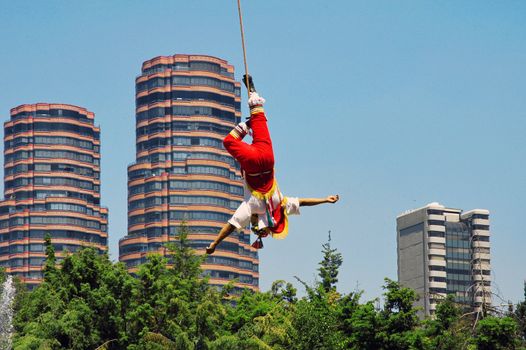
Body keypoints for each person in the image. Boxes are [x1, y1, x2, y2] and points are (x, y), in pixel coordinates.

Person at [206, 76, 339, 254]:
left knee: (259, 116)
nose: (252, 223)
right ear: (256, 220)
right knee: (229, 141)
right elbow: (230, 226)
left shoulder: (280, 205)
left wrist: (325, 199)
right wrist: (214, 244)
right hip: (253, 163)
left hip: (268, 159)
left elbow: (303, 202)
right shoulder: (250, 208)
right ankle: (246, 124)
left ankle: (253, 102)